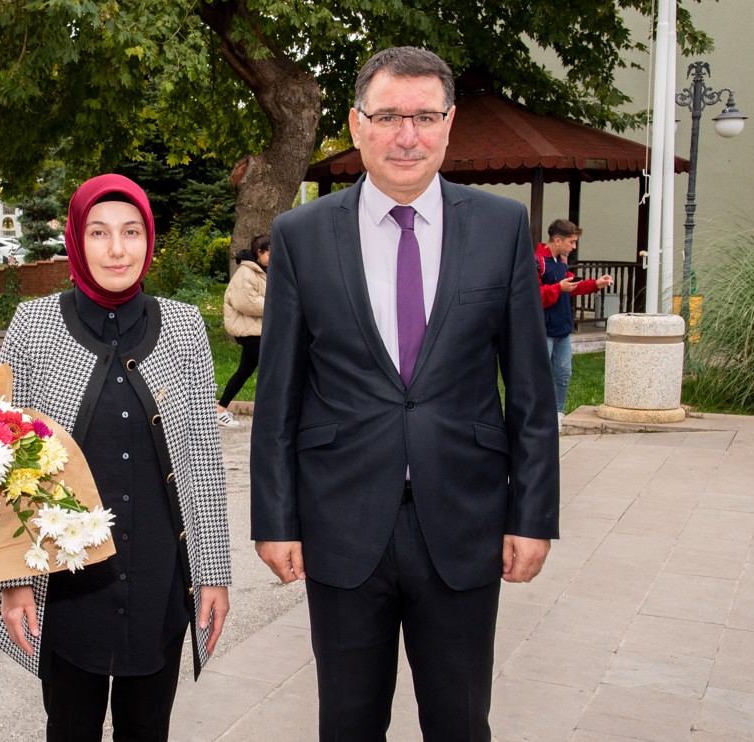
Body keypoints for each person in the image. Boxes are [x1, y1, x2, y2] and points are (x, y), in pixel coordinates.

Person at [250, 47, 559, 741]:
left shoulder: (500, 227)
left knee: (459, 721)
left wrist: (533, 515)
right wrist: (275, 518)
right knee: (349, 722)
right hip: (342, 523)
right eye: (388, 116)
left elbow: (531, 391)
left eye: (424, 117)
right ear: (358, 126)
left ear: (449, 126)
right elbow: (279, 396)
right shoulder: (302, 236)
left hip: (465, 520)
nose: (406, 135)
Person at [0, 173, 231, 742]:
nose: (117, 249)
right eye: (98, 232)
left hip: (157, 584)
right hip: (69, 591)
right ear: (76, 238)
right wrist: (14, 578)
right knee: (69, 728)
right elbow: (1, 461)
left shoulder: (185, 328)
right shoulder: (34, 325)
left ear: (149, 240)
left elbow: (205, 464)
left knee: (149, 730)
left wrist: (212, 575)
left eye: (131, 231)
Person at [537, 218, 613, 425]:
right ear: (558, 240)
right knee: (541, 377)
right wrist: (557, 288)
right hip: (543, 330)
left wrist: (596, 284)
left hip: (562, 330)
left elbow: (573, 286)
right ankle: (540, 417)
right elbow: (532, 296)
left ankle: (558, 414)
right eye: (571, 242)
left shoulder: (561, 262)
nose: (574, 246)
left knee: (563, 373)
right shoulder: (537, 262)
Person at [215, 234, 271, 427]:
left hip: (256, 331)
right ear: (259, 252)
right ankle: (270, 415)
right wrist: (276, 304)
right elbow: (246, 302)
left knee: (244, 371)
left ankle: (220, 409)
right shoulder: (246, 272)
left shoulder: (260, 271)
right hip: (250, 333)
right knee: (270, 371)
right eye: (270, 253)